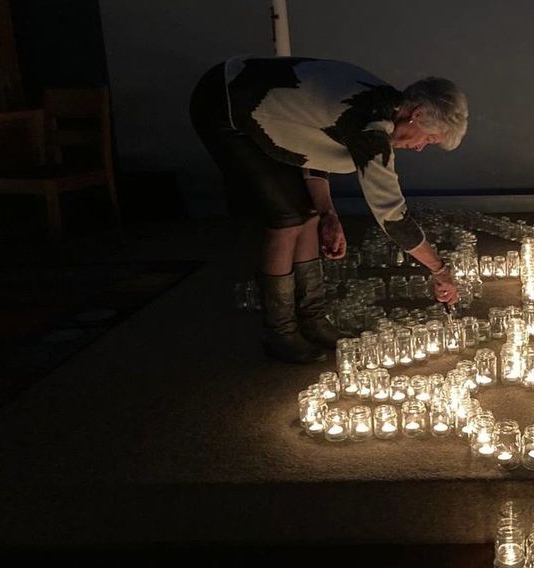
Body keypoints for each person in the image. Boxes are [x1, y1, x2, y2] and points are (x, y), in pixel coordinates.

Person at [190, 56, 468, 364]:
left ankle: (313, 319)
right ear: (416, 114)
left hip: (263, 112)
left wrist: (327, 213)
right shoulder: (371, 126)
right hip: (225, 106)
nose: (419, 148)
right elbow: (391, 215)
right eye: (428, 139)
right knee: (286, 219)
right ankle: (280, 332)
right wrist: (439, 270)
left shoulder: (385, 104)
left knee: (307, 213)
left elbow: (310, 145)